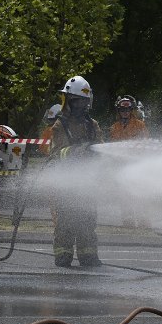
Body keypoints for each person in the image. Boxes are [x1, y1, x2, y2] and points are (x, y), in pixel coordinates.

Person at [48, 75, 104, 267]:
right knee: (65, 222)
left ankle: (88, 256)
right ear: (70, 101)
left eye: (84, 102)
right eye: (77, 101)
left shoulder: (92, 124)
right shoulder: (60, 125)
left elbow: (101, 149)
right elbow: (55, 155)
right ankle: (63, 256)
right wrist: (76, 151)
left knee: (87, 221)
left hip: (87, 183)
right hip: (66, 184)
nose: (81, 106)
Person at [109, 95, 150, 227]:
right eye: (122, 110)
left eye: (127, 110)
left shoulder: (140, 125)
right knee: (124, 193)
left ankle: (143, 219)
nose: (125, 112)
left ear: (132, 110)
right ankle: (128, 219)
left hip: (136, 165)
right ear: (119, 111)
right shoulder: (114, 127)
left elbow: (146, 144)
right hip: (120, 166)